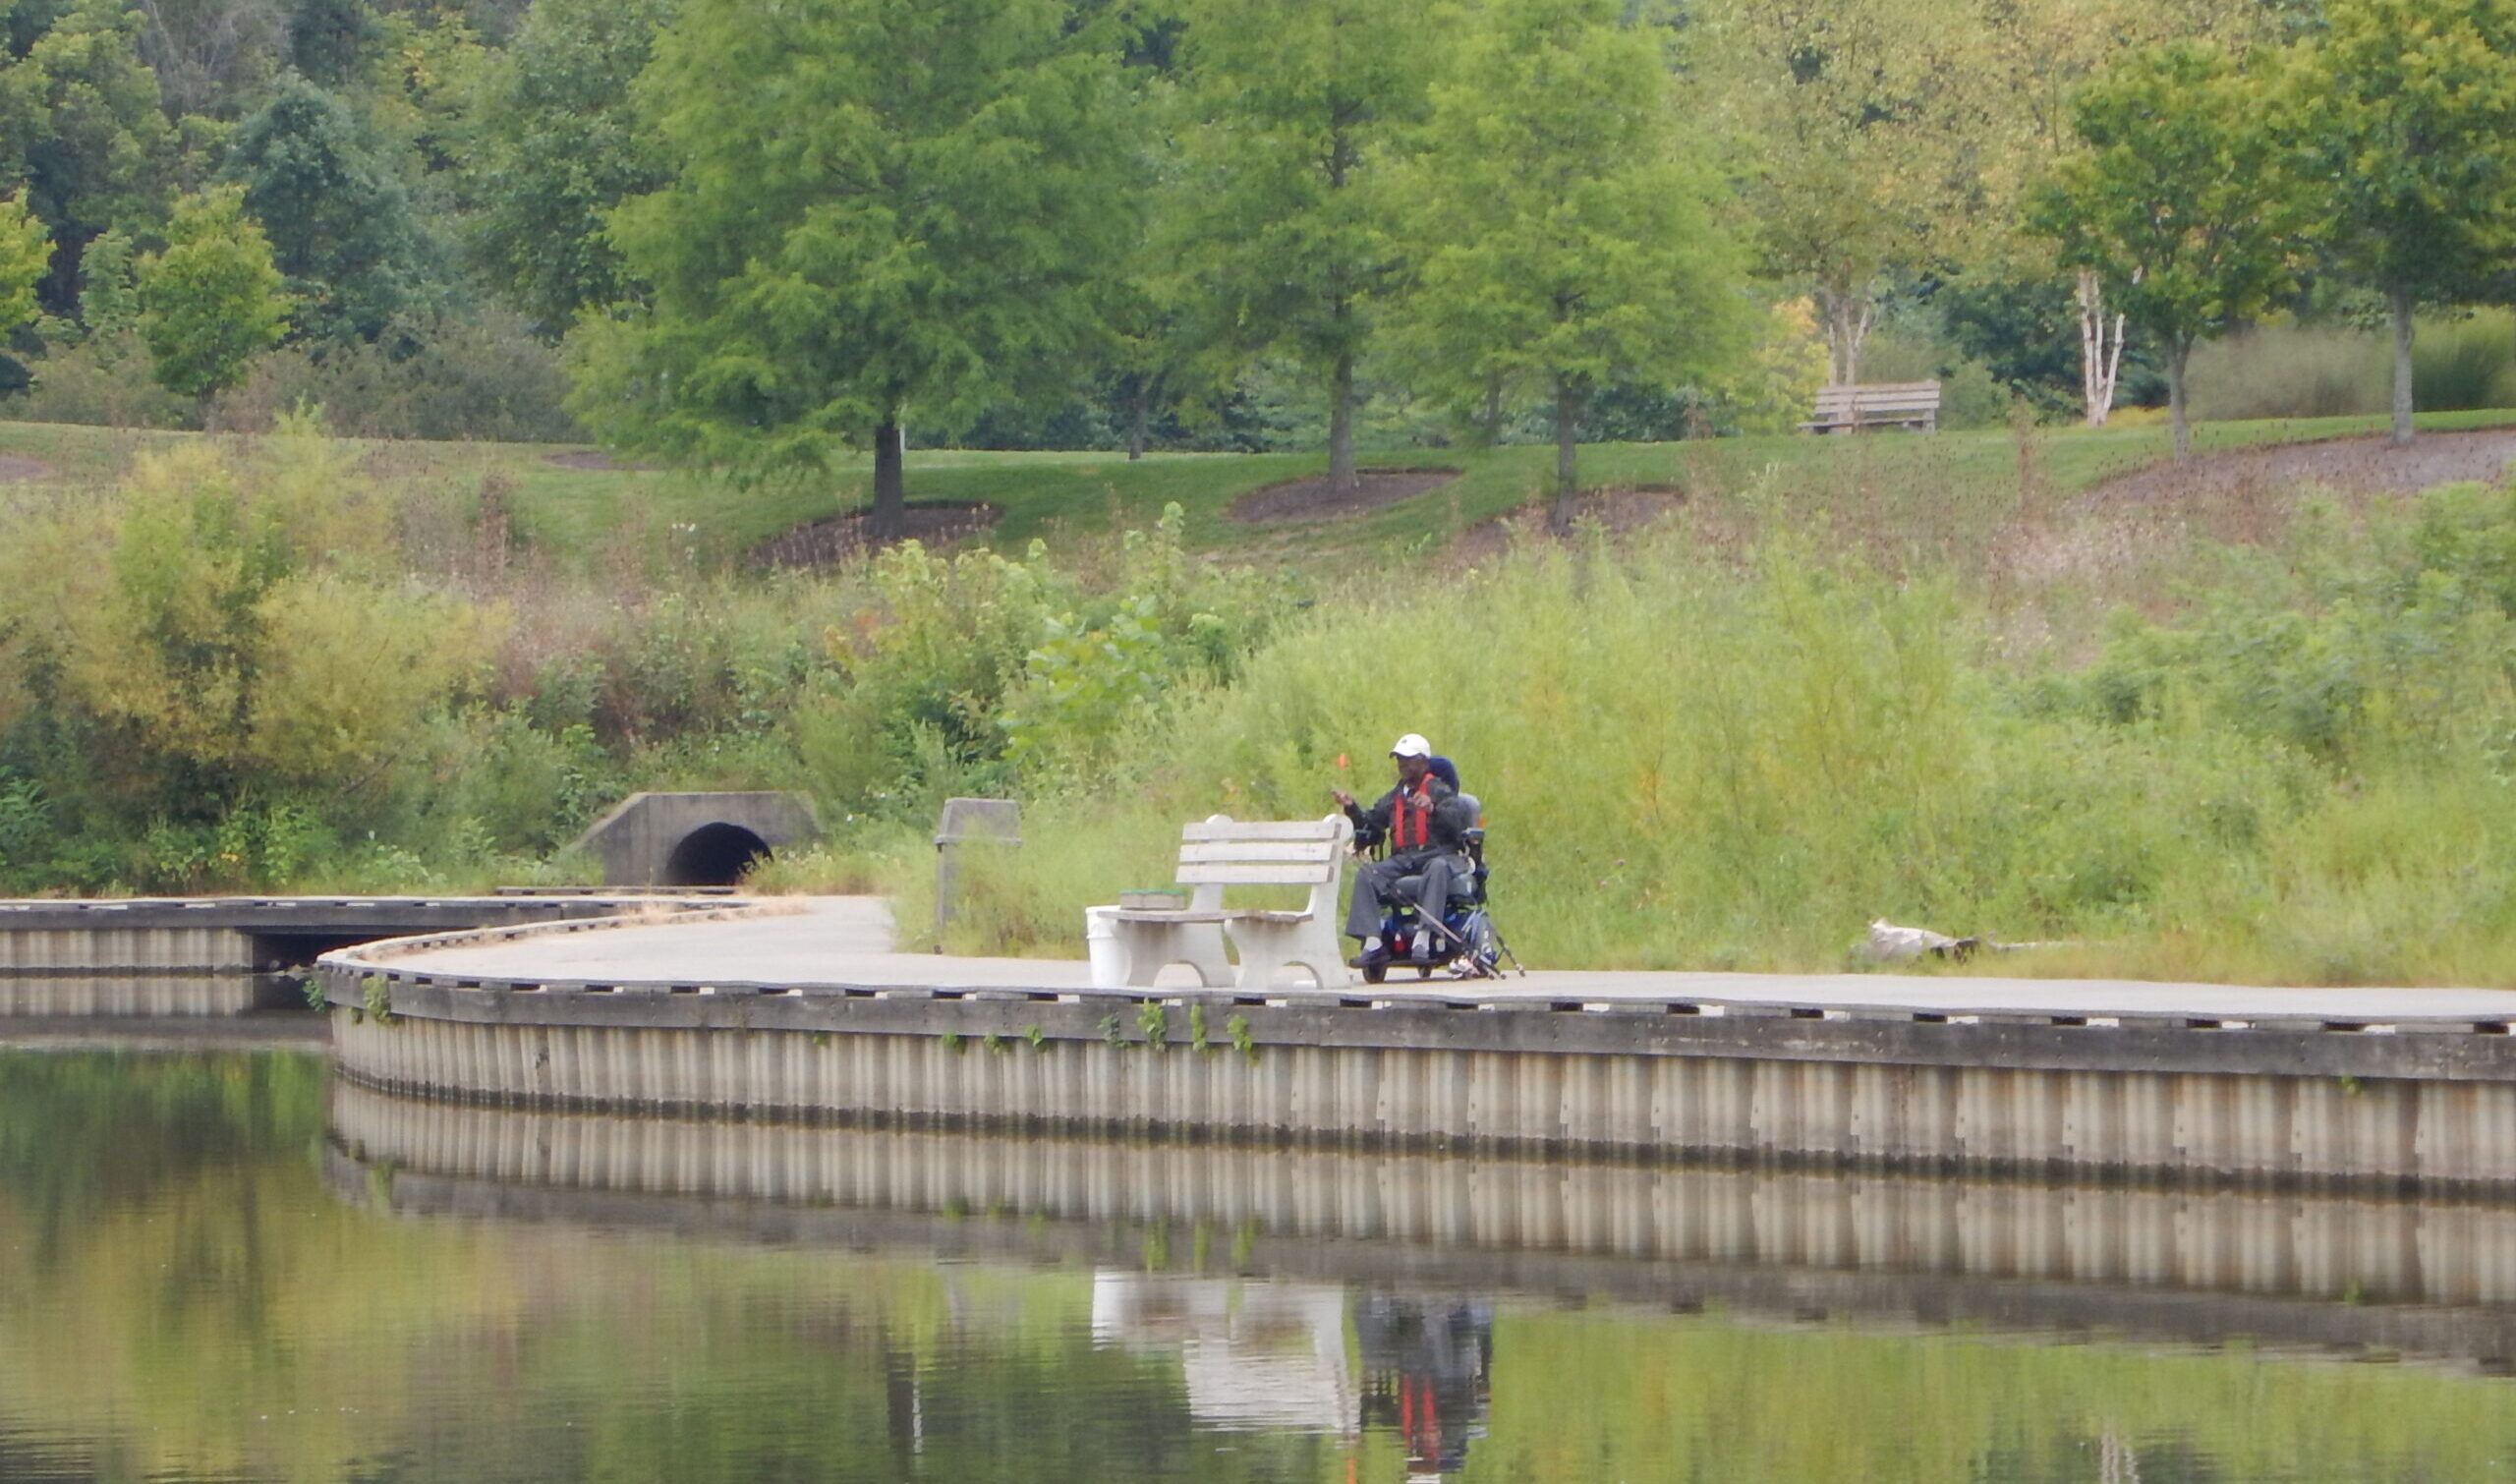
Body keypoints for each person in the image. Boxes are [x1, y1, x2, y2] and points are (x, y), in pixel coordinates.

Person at [1332, 733, 1476, 964]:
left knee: (1438, 867)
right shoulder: (1395, 796)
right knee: (1368, 874)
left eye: (1407, 759)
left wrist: (1434, 809)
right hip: (1404, 858)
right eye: (1399, 759)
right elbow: (1371, 823)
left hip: (1438, 855)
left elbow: (1458, 822)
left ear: (1422, 761)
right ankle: (1373, 943)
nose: (1402, 764)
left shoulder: (1441, 791)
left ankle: (1424, 936)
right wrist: (1352, 809)